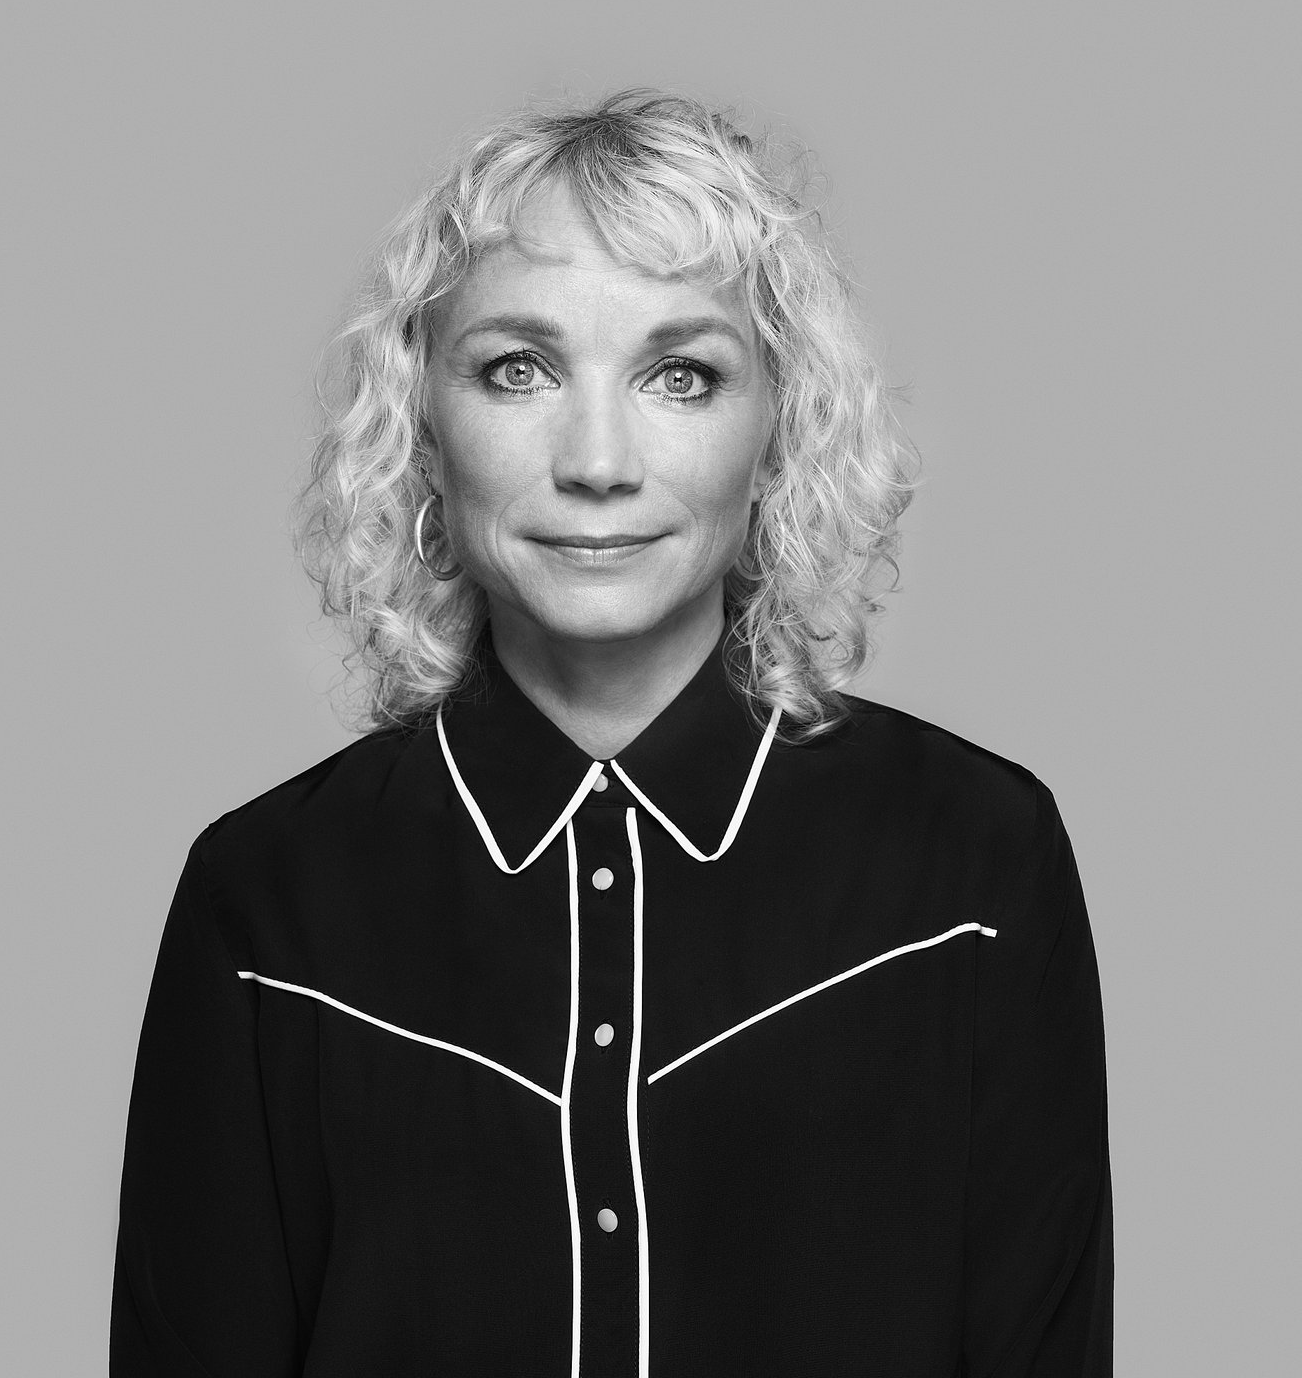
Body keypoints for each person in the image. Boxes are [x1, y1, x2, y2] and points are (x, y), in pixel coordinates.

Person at [111, 90, 1112, 1376]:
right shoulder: (264, 901)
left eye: (679, 374)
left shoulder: (973, 862)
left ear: (779, 426)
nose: (596, 459)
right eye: (516, 370)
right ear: (423, 420)